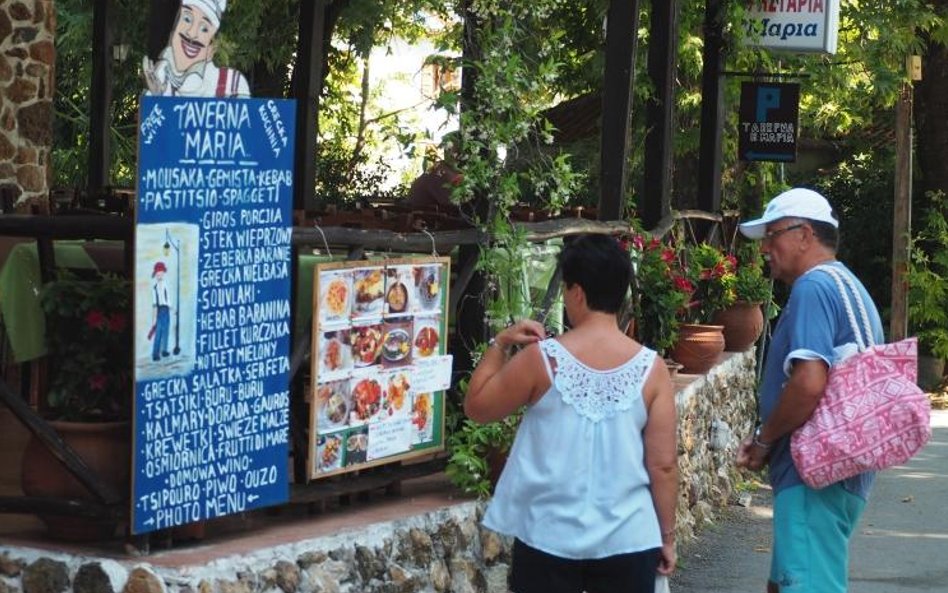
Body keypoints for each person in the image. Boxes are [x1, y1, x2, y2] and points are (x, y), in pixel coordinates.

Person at [465, 233, 679, 593]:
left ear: (577, 292)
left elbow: (478, 407)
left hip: (548, 535)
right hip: (629, 536)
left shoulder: (541, 360)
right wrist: (667, 536)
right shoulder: (652, 369)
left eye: (565, 288)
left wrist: (499, 343)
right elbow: (664, 465)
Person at [735, 187, 884, 593]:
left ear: (805, 234)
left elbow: (809, 381)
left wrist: (765, 440)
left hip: (813, 476)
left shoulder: (813, 288)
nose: (765, 247)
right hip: (837, 474)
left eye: (773, 234)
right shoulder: (848, 285)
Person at [142, 0, 250, 98]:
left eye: (204, 28)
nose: (191, 34)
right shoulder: (160, 78)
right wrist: (157, 97)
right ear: (172, 35)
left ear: (212, 48)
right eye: (187, 19)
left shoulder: (231, 84)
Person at [151, 261, 172, 362]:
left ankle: (164, 350)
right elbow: (154, 304)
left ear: (163, 273)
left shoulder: (165, 285)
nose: (159, 275)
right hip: (159, 310)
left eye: (161, 273)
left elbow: (168, 298)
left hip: (166, 309)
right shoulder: (154, 288)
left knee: (166, 331)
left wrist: (171, 308)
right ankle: (155, 353)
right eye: (157, 274)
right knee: (158, 332)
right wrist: (154, 318)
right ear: (155, 275)